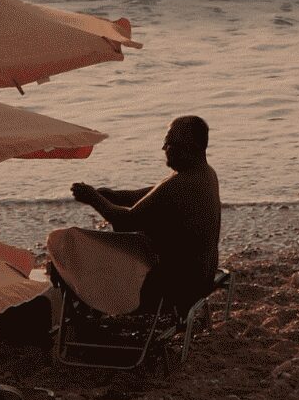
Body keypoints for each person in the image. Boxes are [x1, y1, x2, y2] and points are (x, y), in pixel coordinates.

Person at [70, 115, 221, 313]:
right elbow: (150, 195)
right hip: (203, 279)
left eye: (169, 143)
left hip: (177, 288)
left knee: (79, 262)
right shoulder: (203, 174)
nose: (164, 149)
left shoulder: (180, 185)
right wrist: (111, 196)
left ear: (190, 147)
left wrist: (94, 199)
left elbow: (126, 223)